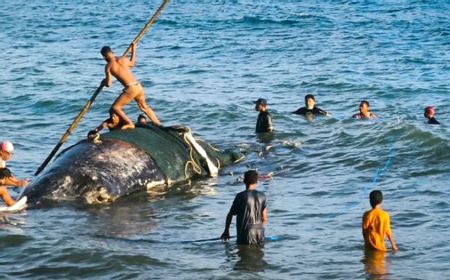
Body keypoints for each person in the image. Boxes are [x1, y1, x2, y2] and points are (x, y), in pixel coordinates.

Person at [96, 42, 161, 131]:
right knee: (144, 107)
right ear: (112, 52)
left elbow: (109, 84)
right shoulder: (122, 59)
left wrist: (103, 82)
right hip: (138, 86)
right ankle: (158, 124)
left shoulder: (108, 66)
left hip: (130, 88)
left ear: (104, 57)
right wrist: (134, 49)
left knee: (115, 108)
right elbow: (132, 63)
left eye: (104, 57)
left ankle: (129, 123)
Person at [221, 170, 268, 245]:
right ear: (257, 181)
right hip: (260, 233)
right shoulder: (262, 196)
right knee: (259, 255)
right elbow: (264, 218)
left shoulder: (240, 196)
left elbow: (230, 214)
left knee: (244, 254)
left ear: (244, 181)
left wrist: (226, 231)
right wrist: (259, 229)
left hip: (245, 234)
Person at [0, 141, 29, 206]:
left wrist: (19, 182)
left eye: (12, 154)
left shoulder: (2, 162)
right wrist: (18, 184)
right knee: (3, 190)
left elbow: (8, 177)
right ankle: (11, 204)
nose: (10, 156)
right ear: (1, 152)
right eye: (9, 153)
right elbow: (4, 180)